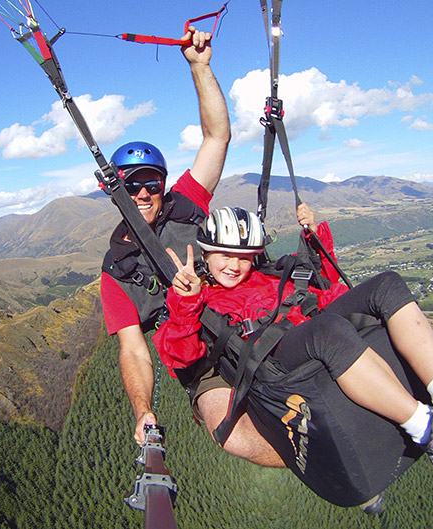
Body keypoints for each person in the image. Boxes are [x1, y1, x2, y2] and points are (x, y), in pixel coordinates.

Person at [153, 204, 433, 468]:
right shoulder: (199, 299)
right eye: (224, 255)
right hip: (272, 362)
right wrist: (185, 301)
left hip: (313, 334)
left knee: (386, 286)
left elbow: (330, 293)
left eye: (244, 256)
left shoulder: (268, 276)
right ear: (205, 252)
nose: (235, 265)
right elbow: (181, 357)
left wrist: (314, 237)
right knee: (326, 330)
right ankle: (429, 427)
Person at [100, 26, 283, 466]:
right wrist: (143, 409)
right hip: (200, 350)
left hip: (252, 308)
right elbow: (133, 349)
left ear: (163, 184)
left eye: (151, 183)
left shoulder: (185, 203)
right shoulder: (117, 271)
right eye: (131, 186)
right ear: (115, 191)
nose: (143, 194)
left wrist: (200, 67)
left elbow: (216, 137)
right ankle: (325, 462)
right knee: (230, 431)